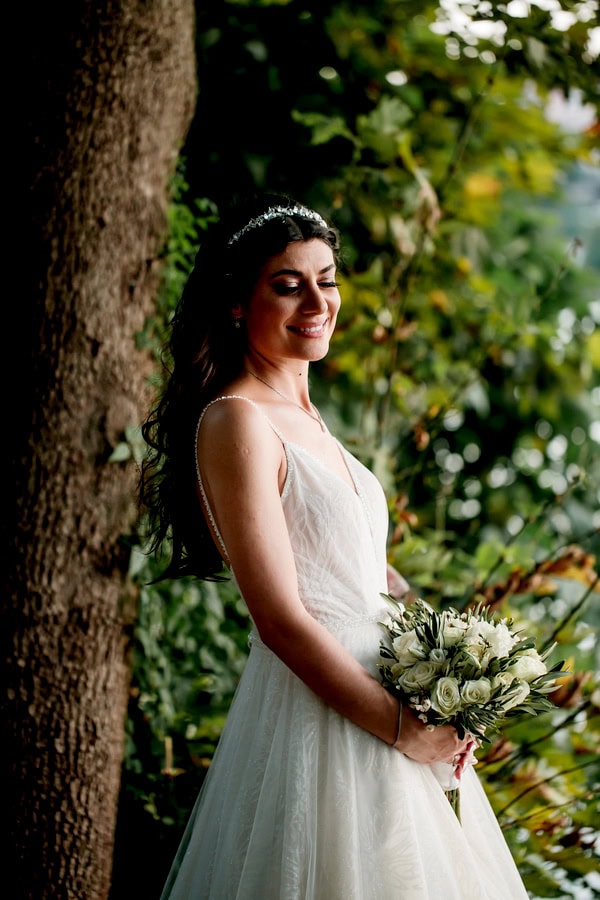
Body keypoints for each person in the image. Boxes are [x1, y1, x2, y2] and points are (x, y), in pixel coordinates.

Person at [140, 194, 529, 899]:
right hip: (326, 718)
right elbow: (280, 618)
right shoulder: (238, 420)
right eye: (289, 285)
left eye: (327, 280)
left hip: (381, 696)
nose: (317, 302)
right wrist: (403, 729)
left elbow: (348, 566)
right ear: (238, 304)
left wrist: (450, 666)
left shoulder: (308, 419)